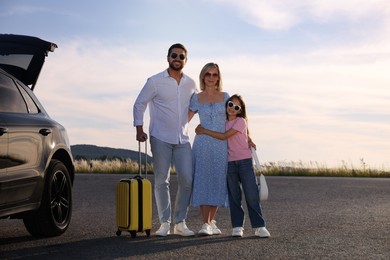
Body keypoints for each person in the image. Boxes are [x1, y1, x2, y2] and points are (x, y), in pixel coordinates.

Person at [133, 43, 196, 237]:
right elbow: (139, 103)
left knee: (187, 179)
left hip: (183, 139)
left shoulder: (191, 83)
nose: (177, 59)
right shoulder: (154, 81)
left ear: (186, 60)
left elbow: (194, 106)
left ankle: (180, 222)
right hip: (160, 137)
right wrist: (139, 129)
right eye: (174, 55)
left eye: (181, 56)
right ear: (168, 58)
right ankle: (164, 223)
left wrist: (185, 121)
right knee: (162, 180)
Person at [195, 94, 271, 238]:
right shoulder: (222, 122)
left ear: (240, 110)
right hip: (229, 163)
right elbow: (236, 135)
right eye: (230, 104)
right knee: (234, 197)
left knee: (251, 195)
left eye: (236, 107)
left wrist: (204, 131)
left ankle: (259, 226)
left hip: (244, 162)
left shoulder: (241, 121)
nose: (232, 108)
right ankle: (237, 227)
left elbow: (224, 136)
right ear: (227, 104)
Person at [188, 63, 229, 236]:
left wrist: (246, 136)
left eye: (214, 74)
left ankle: (211, 221)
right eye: (208, 74)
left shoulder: (225, 96)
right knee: (203, 180)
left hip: (221, 144)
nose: (211, 77)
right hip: (202, 144)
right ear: (203, 77)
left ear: (218, 77)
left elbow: (235, 118)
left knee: (219, 181)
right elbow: (184, 120)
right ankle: (205, 223)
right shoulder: (196, 98)